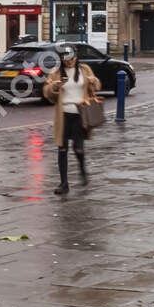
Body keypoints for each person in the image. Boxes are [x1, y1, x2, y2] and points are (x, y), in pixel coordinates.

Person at [42, 46, 100, 196]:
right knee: (62, 149)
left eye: (72, 59)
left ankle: (82, 170)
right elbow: (47, 92)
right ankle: (64, 184)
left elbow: (97, 86)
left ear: (76, 57)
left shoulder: (85, 69)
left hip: (80, 114)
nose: (69, 62)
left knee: (78, 148)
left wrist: (94, 81)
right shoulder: (55, 72)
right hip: (63, 115)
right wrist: (55, 86)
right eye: (66, 59)